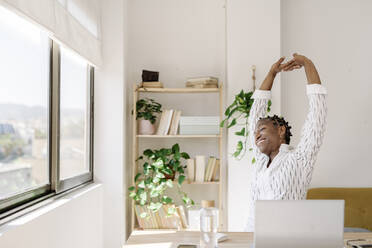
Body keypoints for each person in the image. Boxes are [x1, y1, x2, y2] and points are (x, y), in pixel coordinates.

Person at [245, 53, 327, 232]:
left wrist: (308, 64)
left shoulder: (299, 159)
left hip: (288, 239)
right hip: (252, 237)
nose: (257, 135)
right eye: (256, 132)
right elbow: (254, 115)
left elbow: (316, 116)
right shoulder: (260, 162)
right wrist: (271, 74)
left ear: (281, 130)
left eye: (263, 129)